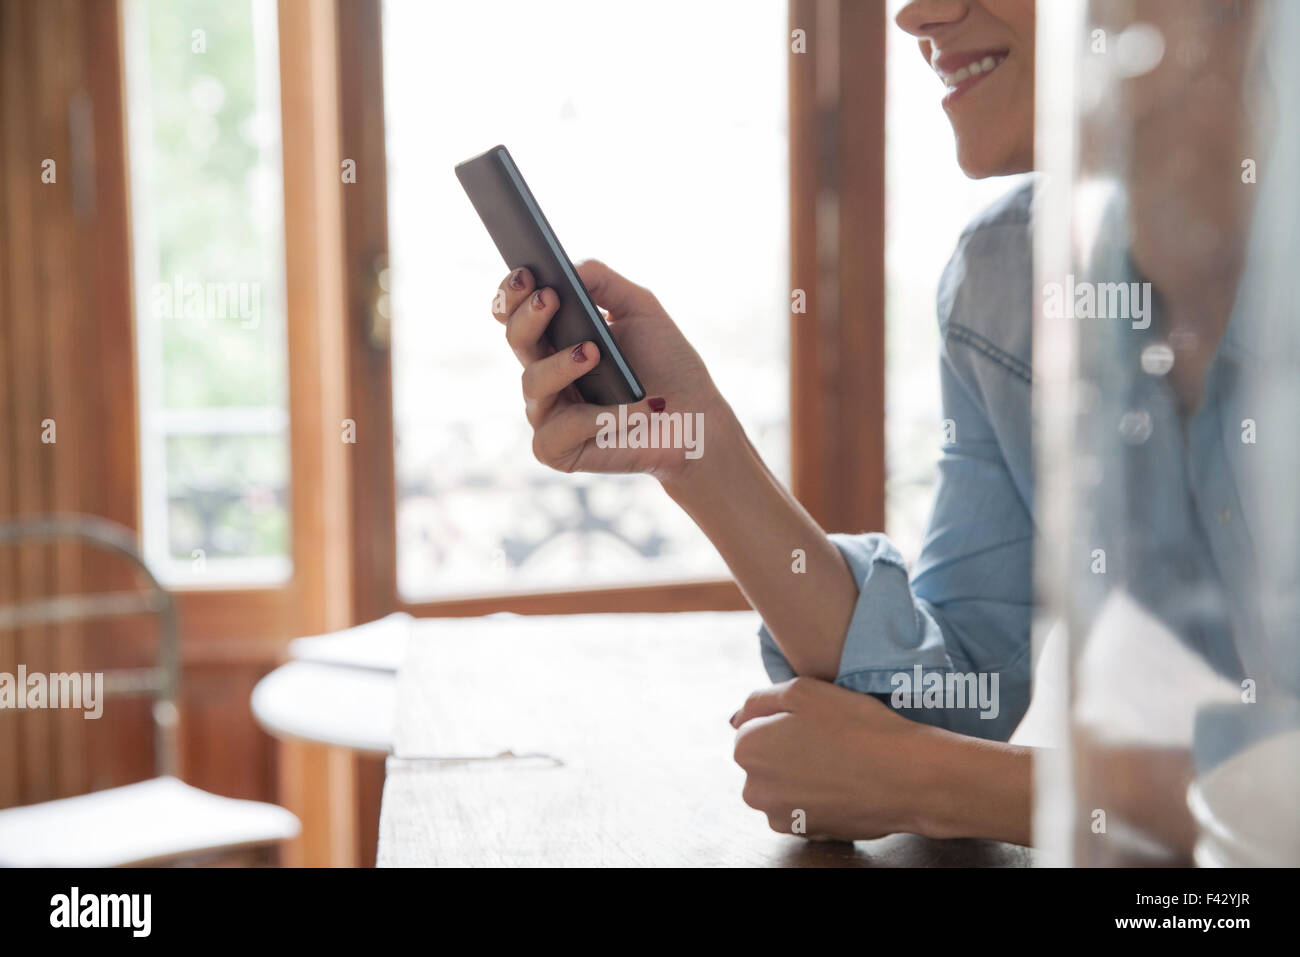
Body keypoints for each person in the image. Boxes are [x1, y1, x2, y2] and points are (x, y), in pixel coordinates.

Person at [482, 0, 1289, 849]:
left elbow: (913, 757)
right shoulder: (1005, 281)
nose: (916, 14)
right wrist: (697, 450)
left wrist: (929, 783)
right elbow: (951, 696)